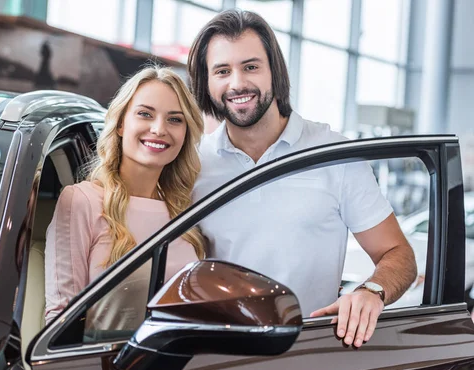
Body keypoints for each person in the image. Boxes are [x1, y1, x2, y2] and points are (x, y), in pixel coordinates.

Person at [187, 9, 417, 348]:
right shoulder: (195, 165)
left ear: (274, 71)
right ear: (206, 82)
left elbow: (399, 253)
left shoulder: (332, 154)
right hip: (218, 357)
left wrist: (372, 291)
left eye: (251, 67)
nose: (237, 83)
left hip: (308, 356)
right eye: (222, 71)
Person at [44, 66, 205, 325]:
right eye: (145, 114)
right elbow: (61, 318)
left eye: (175, 119)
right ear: (120, 124)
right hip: (108, 364)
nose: (159, 129)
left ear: (186, 133)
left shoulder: (185, 209)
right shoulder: (81, 201)